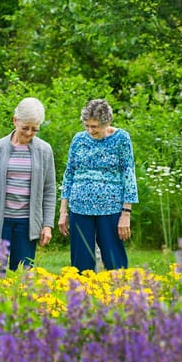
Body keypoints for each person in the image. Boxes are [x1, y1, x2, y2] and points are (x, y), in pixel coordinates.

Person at [58, 98, 138, 273]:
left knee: (114, 259)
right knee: (81, 262)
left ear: (107, 122)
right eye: (86, 125)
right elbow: (69, 173)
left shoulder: (121, 138)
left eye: (94, 127)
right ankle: (82, 296)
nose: (89, 130)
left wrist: (126, 213)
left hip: (110, 208)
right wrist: (63, 211)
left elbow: (128, 174)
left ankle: (119, 295)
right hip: (79, 207)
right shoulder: (78, 139)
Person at [0, 97, 56, 274]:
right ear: (15, 120)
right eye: (25, 128)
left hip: (27, 223)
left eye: (34, 129)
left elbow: (49, 190)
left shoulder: (44, 150)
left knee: (23, 276)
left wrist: (47, 225)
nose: (29, 133)